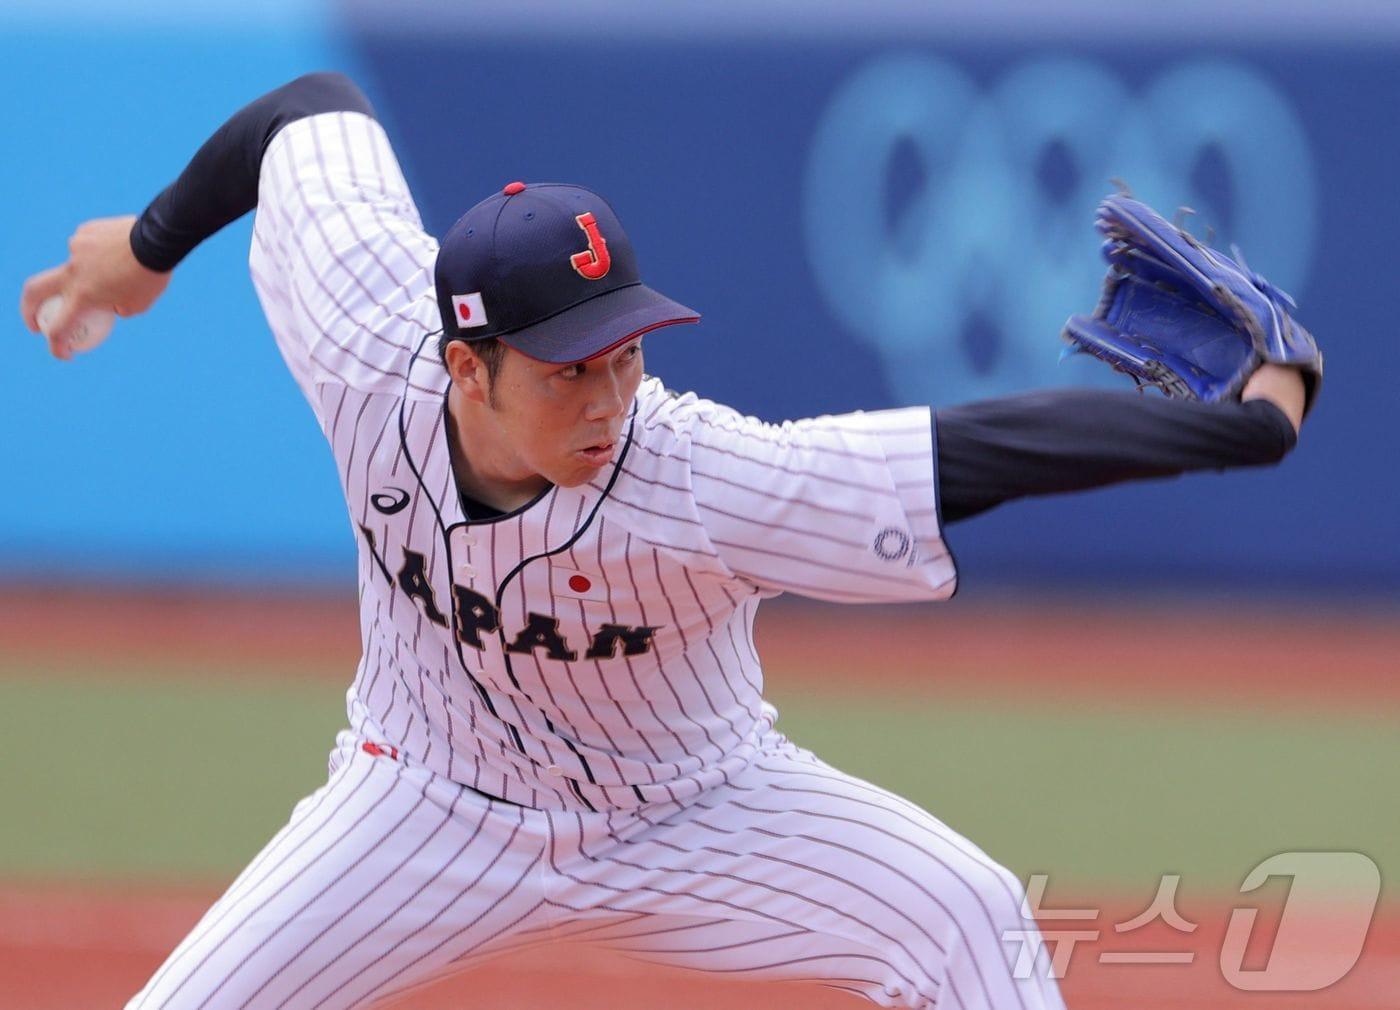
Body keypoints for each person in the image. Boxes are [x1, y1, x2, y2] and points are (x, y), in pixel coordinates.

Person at [19, 73, 1308, 1010]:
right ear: (466, 366)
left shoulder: (694, 475)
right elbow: (305, 111)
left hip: (701, 814)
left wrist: (1243, 432)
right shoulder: (367, 341)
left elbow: (965, 455)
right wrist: (145, 253)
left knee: (963, 915)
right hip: (417, 802)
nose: (609, 395)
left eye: (625, 351)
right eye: (569, 369)